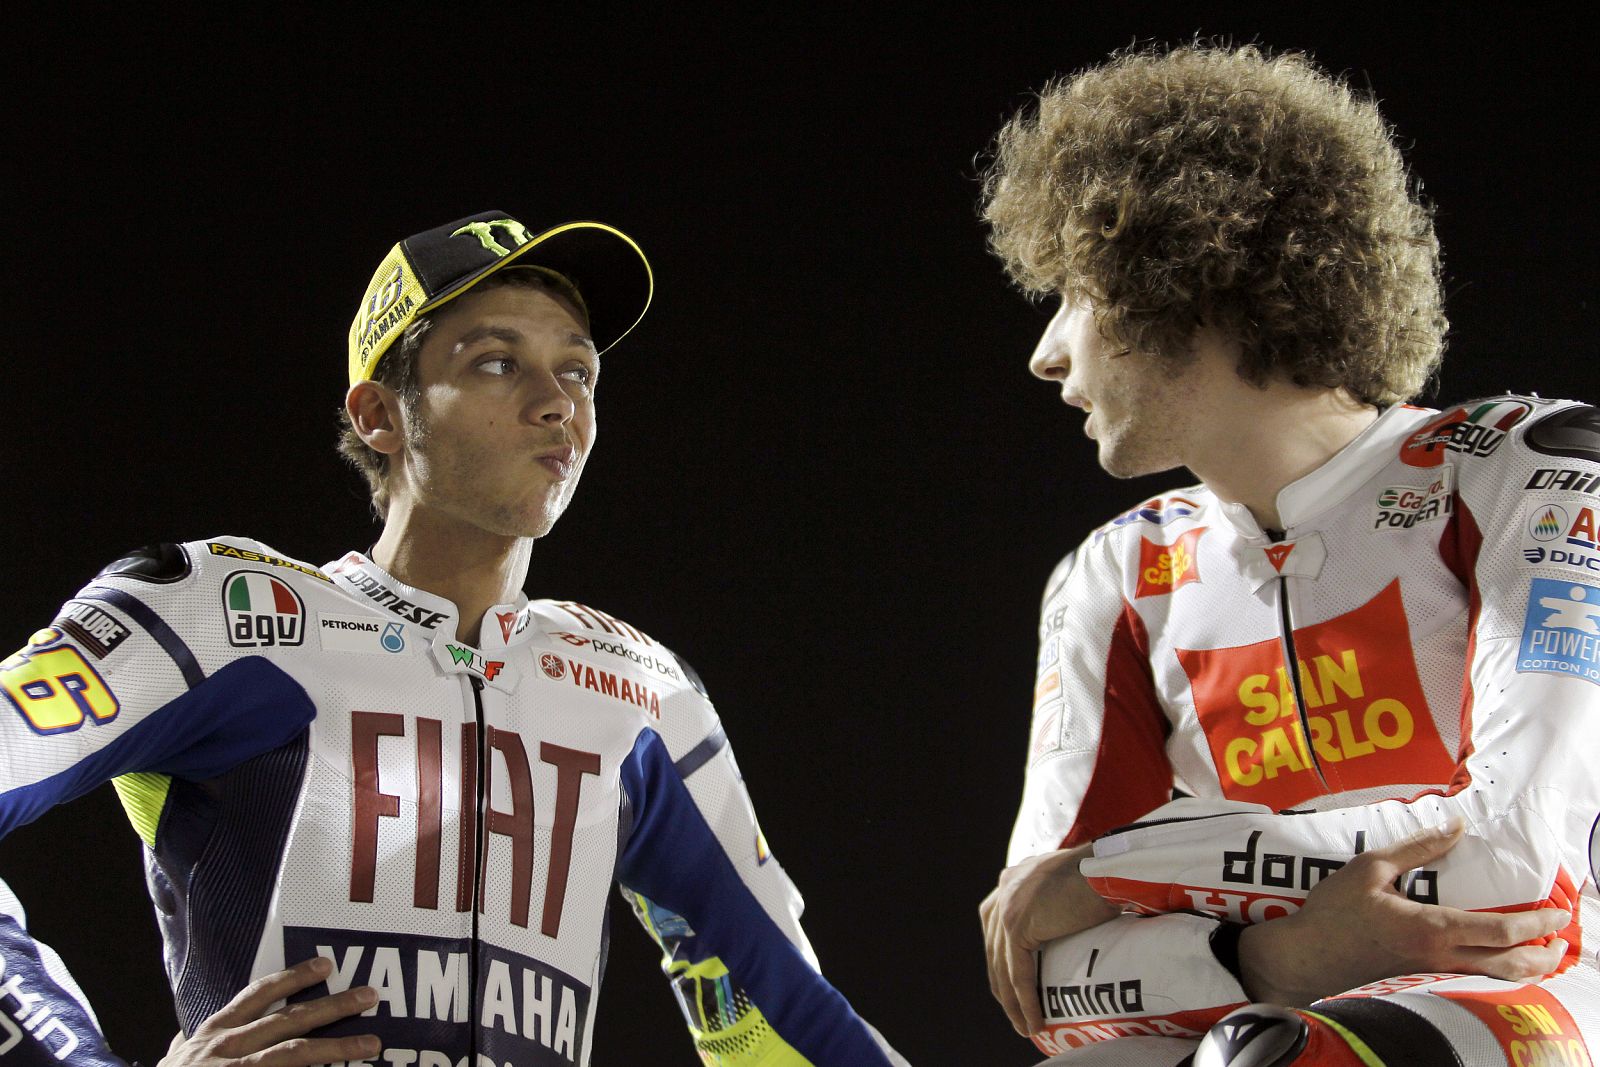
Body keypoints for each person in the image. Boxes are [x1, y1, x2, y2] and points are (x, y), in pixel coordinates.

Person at [0, 211, 909, 1066]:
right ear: (379, 416)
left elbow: (786, 1014)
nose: (558, 404)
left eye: (578, 370)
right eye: (496, 363)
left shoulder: (638, 691)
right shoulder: (223, 611)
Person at [976, 44, 1600, 1066]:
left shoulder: (1526, 464)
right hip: (1270, 1004)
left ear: (1187, 276)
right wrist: (1278, 956)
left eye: (1078, 294)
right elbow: (1039, 976)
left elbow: (1514, 870)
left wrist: (1113, 871)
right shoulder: (1118, 572)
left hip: (1552, 989)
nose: (1047, 352)